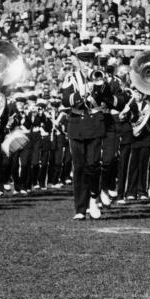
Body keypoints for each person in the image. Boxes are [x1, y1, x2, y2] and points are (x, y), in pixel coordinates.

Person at [61, 44, 116, 220]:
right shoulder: (71, 77)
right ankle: (80, 208)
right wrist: (81, 94)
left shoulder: (101, 77)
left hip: (95, 123)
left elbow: (108, 100)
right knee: (79, 167)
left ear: (94, 61)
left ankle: (94, 197)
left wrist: (98, 89)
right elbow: (65, 100)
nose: (86, 64)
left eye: (89, 60)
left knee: (93, 165)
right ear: (78, 61)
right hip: (77, 124)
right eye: (83, 61)